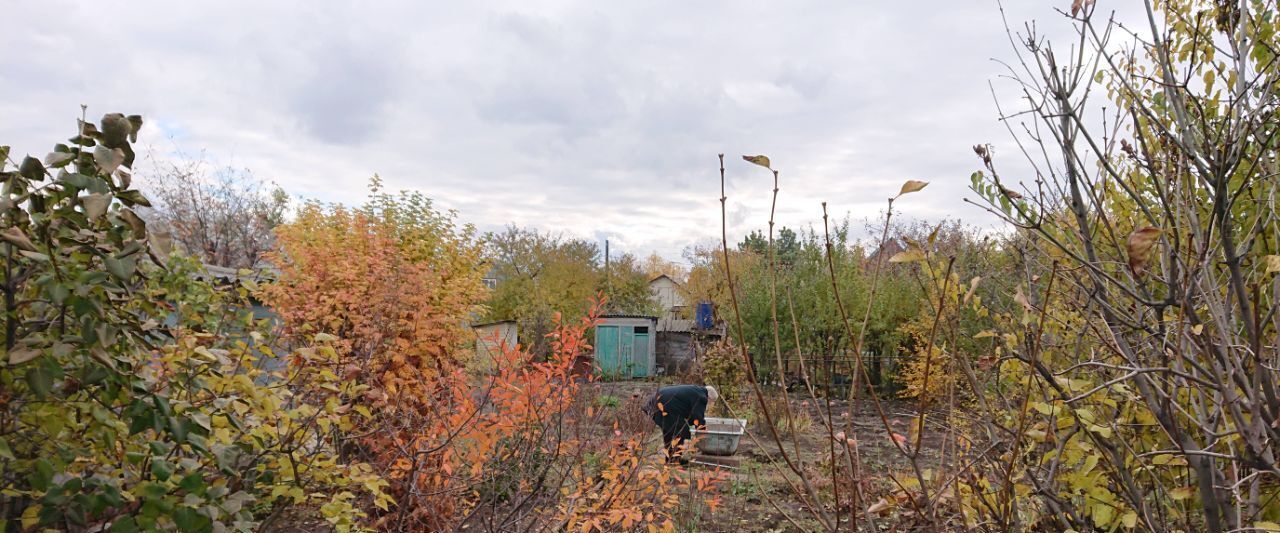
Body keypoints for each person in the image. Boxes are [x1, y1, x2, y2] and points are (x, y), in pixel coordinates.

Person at [642, 384, 719, 464]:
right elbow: (698, 417)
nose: (709, 404)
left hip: (654, 402)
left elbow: (688, 412)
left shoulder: (696, 390)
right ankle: (675, 459)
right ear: (709, 398)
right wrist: (703, 435)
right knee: (681, 431)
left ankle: (670, 458)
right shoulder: (702, 397)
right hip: (666, 404)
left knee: (669, 431)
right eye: (711, 402)